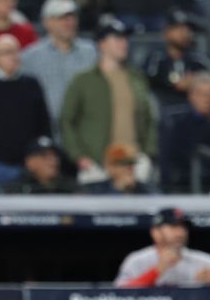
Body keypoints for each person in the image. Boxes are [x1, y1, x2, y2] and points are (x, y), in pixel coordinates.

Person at [60, 16, 156, 185]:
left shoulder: (136, 78)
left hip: (133, 164)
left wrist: (148, 153)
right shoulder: (83, 80)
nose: (124, 43)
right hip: (97, 164)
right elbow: (66, 120)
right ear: (101, 43)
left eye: (125, 38)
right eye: (118, 38)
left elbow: (149, 118)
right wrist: (79, 156)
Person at [0, 34, 51, 194]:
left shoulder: (31, 84)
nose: (14, 56)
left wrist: (39, 157)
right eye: (7, 52)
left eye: (16, 51)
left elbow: (43, 122)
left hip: (27, 165)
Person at [20, 0, 96, 136]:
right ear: (47, 22)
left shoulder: (92, 53)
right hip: (47, 132)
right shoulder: (30, 57)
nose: (70, 23)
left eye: (72, 17)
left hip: (85, 131)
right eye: (62, 18)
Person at [159, 72, 210, 194]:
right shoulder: (180, 125)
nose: (208, 99)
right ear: (191, 95)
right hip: (193, 187)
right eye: (203, 94)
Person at [143, 9, 210, 109]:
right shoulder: (157, 57)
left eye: (186, 28)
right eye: (178, 28)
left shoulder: (195, 57)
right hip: (164, 109)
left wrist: (196, 80)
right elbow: (146, 78)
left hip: (192, 111)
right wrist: (173, 82)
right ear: (166, 32)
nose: (184, 32)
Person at [0, 136, 76, 194]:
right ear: (29, 162)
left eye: (55, 156)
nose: (53, 161)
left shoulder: (69, 188)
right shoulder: (12, 191)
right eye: (45, 156)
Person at [83, 142, 157, 195]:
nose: (130, 167)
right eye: (124, 163)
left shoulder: (145, 189)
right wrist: (117, 189)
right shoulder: (95, 190)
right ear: (110, 166)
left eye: (132, 163)